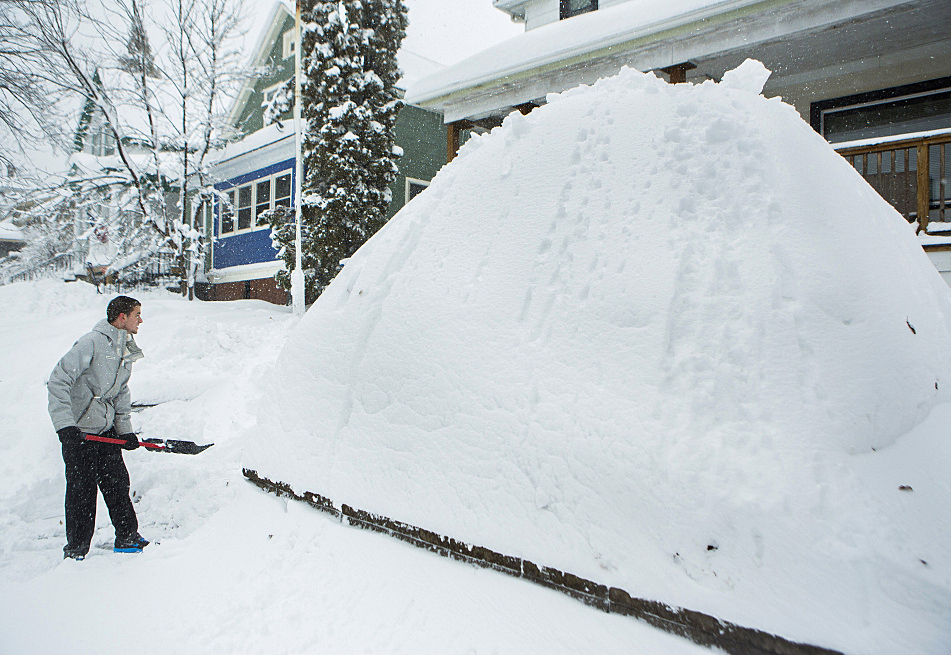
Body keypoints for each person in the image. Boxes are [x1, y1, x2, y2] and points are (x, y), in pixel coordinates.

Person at [48, 295, 150, 560]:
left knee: (118, 486)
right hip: (80, 435)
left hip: (105, 433)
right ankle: (76, 551)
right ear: (122, 317)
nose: (140, 320)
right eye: (137, 314)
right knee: (82, 494)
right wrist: (65, 426)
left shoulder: (124, 348)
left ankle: (127, 537)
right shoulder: (91, 343)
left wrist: (125, 430)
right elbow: (58, 380)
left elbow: (121, 392)